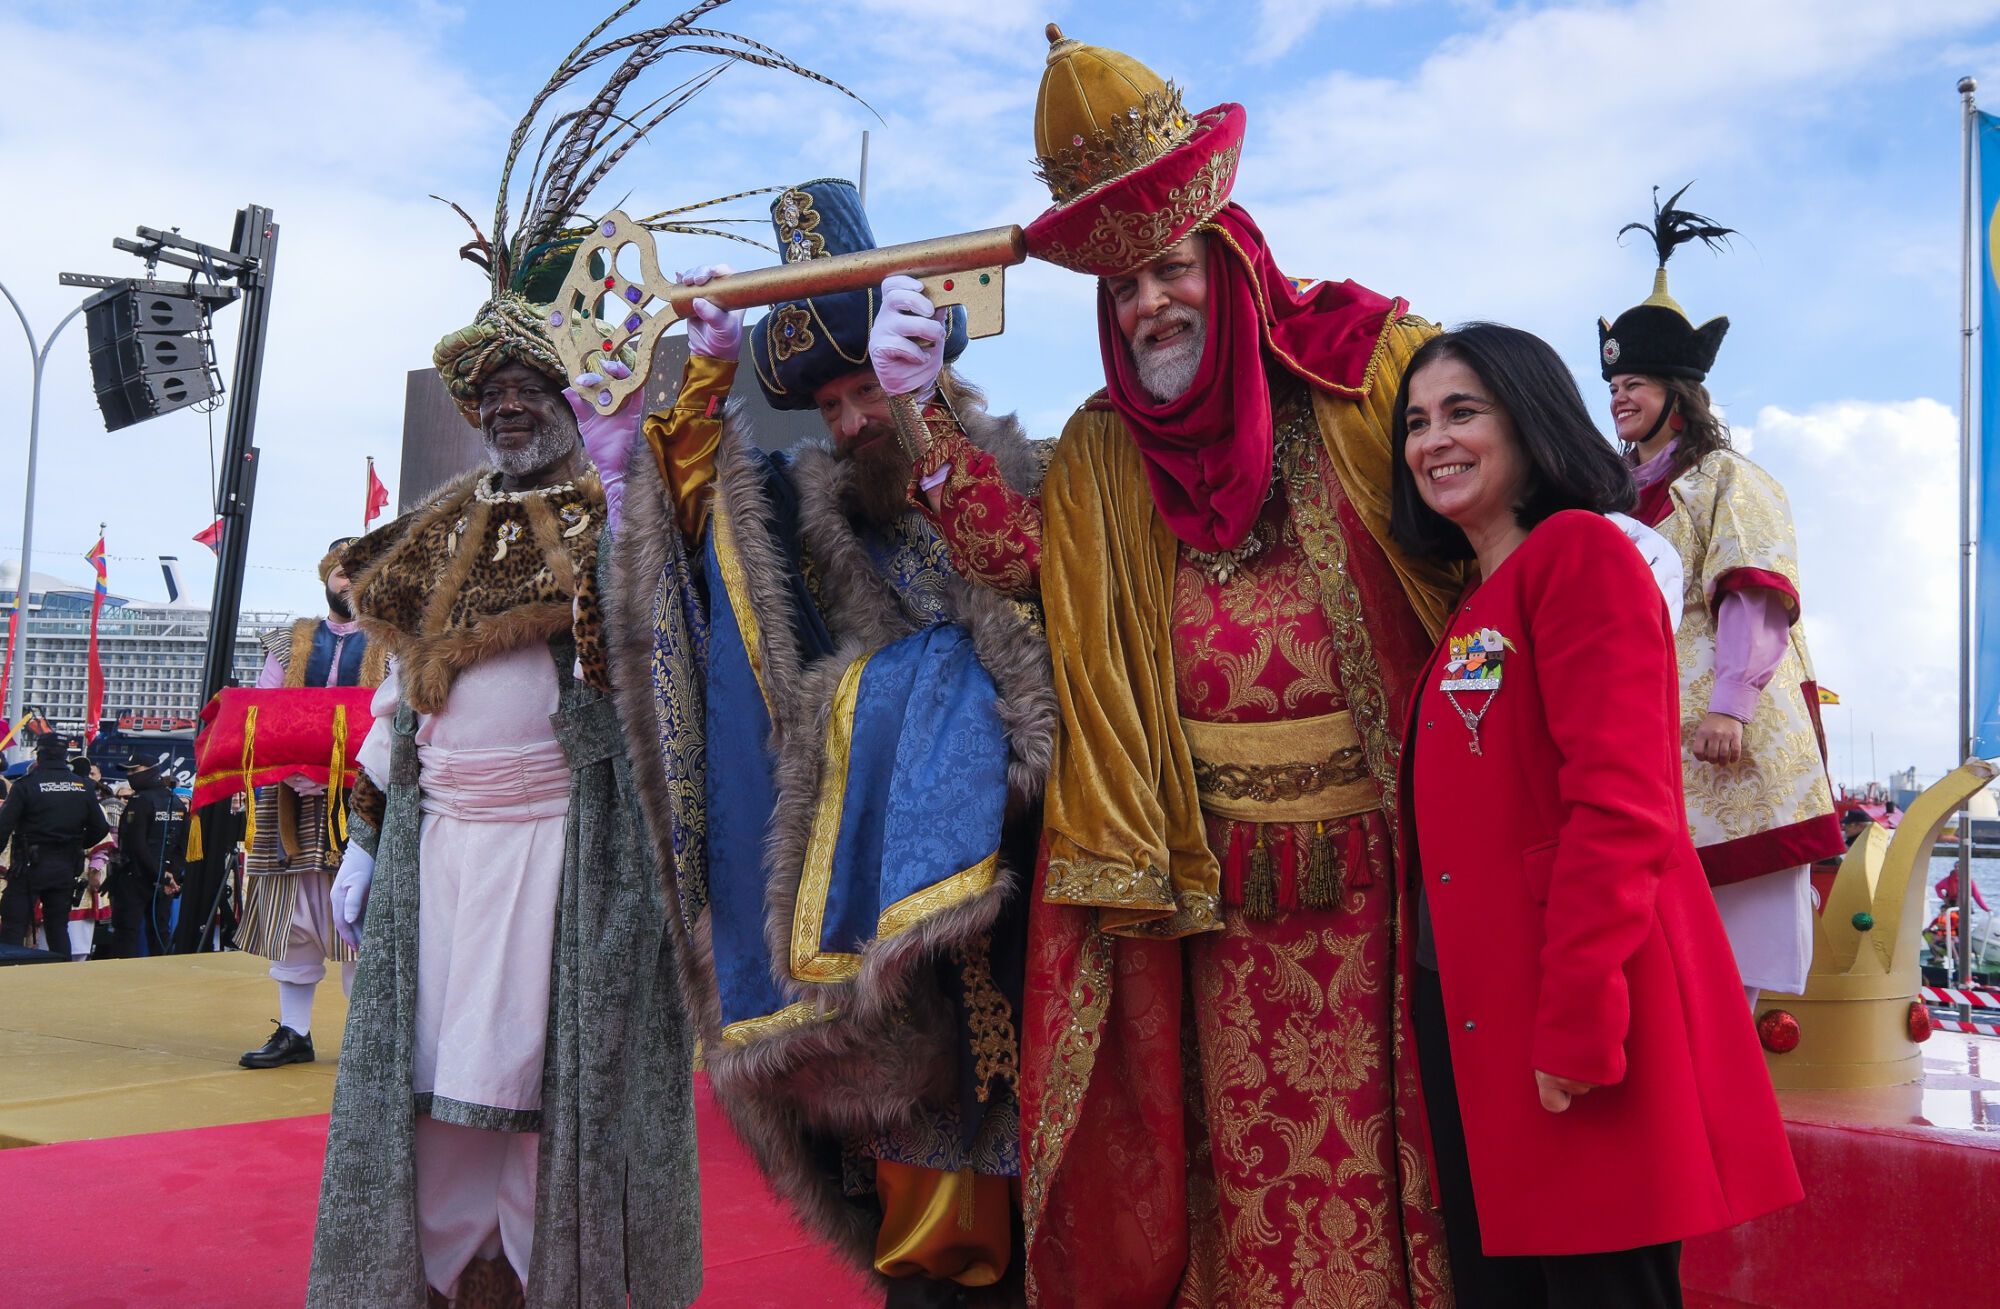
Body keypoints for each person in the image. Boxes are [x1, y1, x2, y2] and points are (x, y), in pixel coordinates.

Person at [895, 27, 1467, 1305]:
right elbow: (1029, 567)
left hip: (1385, 872)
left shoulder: (1365, 372)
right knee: (1234, 1176)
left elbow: (1483, 516)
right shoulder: (1108, 450)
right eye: (1121, 289)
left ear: (1224, 252)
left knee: (1399, 1167)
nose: (1148, 303)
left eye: (1166, 269)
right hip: (1207, 884)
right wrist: (920, 416)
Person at [295, 13, 819, 1298]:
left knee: (553, 1106)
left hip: (569, 858)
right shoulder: (431, 533)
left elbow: (676, 668)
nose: (512, 404)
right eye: (494, 392)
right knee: (430, 1114)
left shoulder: (621, 512)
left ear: (571, 393)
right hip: (441, 857)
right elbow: (391, 712)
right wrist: (365, 840)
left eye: (535, 382)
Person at [615, 177, 1050, 1307]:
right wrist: (683, 403)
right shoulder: (805, 535)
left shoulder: (1032, 475)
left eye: (873, 391)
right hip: (873, 939)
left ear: (932, 368)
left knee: (1059, 1190)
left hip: (1035, 897)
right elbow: (710, 583)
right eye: (838, 403)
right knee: (928, 1217)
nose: (856, 420)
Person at [1388, 321, 1802, 1308]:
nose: (1431, 440)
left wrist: (1575, 1019)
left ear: (1529, 425)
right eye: (1413, 423)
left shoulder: (1576, 556)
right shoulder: (1476, 596)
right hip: (1481, 1010)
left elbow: (1619, 808)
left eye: (1460, 412)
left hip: (1570, 1013)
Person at [1600, 187, 1844, 1007]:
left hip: (1721, 745)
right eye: (1614, 385)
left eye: (1635, 382)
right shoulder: (1615, 495)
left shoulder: (1728, 480)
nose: (1620, 399)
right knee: (1663, 960)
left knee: (1729, 973)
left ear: (1680, 389)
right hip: (1652, 743)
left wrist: (1731, 706)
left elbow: (1754, 597)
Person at [236, 538, 387, 1069]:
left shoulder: (393, 644)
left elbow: (395, 720)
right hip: (291, 802)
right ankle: (294, 1033)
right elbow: (265, 714)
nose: (349, 580)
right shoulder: (285, 643)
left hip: (365, 802)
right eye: (343, 572)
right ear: (327, 577)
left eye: (360, 571)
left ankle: (370, 1041)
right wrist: (293, 769)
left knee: (360, 915)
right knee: (294, 916)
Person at [0, 734, 109, 960]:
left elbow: (3, 828)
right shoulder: (84, 786)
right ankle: (63, 977)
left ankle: (9, 979)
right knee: (58, 926)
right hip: (66, 866)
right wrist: (78, 844)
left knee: (14, 924)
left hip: (29, 866)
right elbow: (100, 828)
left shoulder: (25, 785)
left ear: (39, 754)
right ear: (64, 755)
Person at [106, 754, 188, 958]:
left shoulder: (140, 802)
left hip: (138, 876)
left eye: (134, 770)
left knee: (127, 933)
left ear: (151, 770)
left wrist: (163, 875)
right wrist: (170, 874)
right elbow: (183, 845)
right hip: (164, 878)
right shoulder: (175, 801)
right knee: (159, 934)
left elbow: (136, 845)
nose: (130, 775)